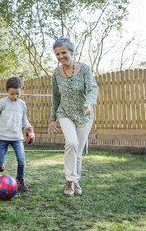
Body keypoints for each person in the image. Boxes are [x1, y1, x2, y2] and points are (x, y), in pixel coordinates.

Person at [47, 37, 99, 197]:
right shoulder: (56, 73)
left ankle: (75, 182)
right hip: (65, 113)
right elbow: (56, 96)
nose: (60, 57)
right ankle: (69, 181)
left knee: (78, 150)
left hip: (84, 115)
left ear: (71, 52)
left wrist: (90, 104)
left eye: (63, 53)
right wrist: (53, 119)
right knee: (71, 142)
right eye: (57, 54)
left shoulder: (84, 69)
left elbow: (92, 88)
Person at [0, 77, 35, 192]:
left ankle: (20, 180)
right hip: (3, 138)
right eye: (12, 94)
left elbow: (24, 119)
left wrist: (30, 129)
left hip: (17, 138)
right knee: (2, 160)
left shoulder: (22, 104)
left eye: (17, 93)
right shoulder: (3, 102)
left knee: (21, 160)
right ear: (7, 91)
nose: (15, 97)